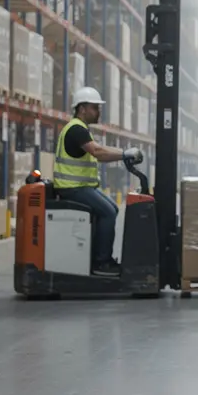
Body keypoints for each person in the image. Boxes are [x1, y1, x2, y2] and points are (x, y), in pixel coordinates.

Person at [54, 86, 143, 277]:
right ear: (82, 108)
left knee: (113, 208)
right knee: (108, 212)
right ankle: (101, 263)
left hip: (80, 187)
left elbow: (100, 149)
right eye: (95, 107)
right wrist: (124, 154)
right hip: (73, 188)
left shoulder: (80, 129)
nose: (98, 111)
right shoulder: (76, 129)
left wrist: (122, 154)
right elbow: (98, 152)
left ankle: (99, 257)